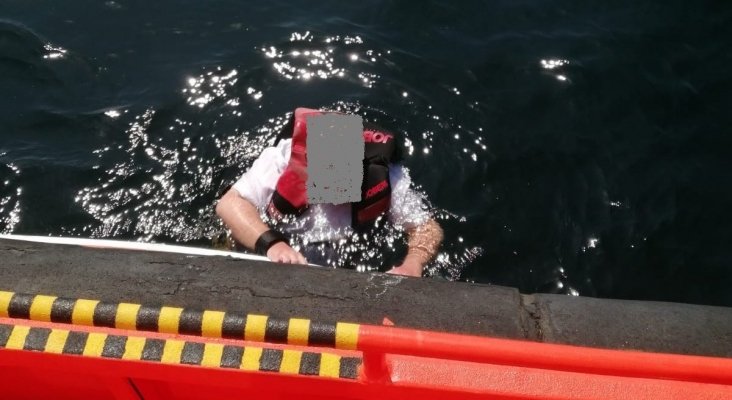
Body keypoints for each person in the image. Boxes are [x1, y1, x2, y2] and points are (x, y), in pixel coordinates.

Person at [216, 107, 443, 277]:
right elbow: (229, 203)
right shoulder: (280, 161)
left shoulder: (386, 176)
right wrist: (273, 244)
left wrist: (413, 263)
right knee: (232, 238)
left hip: (343, 260)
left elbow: (427, 228)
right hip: (276, 246)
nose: (336, 192)